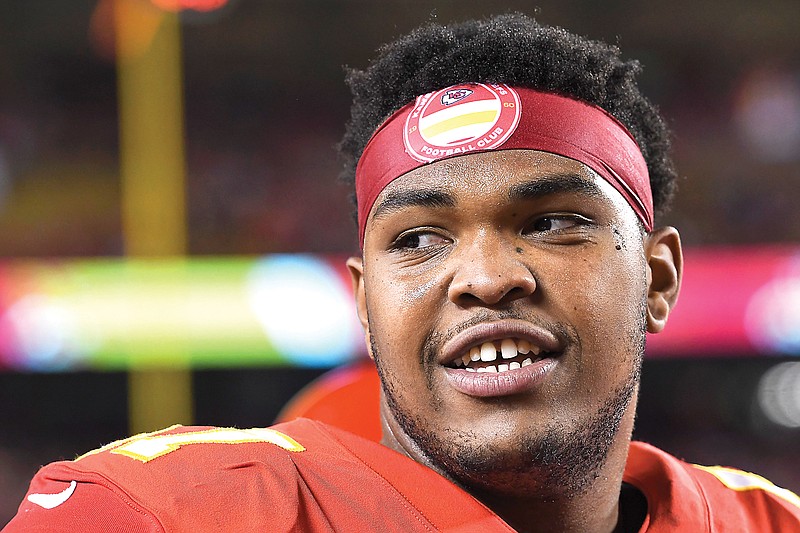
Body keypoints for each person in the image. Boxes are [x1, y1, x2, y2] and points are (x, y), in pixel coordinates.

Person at [5, 13, 800, 533]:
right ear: (363, 299)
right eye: (419, 237)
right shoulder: (165, 515)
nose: (486, 277)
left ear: (659, 279)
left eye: (552, 221)